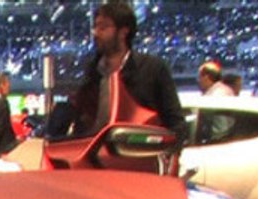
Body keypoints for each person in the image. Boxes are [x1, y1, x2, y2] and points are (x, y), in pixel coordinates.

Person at [72, 1, 186, 143]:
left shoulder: (152, 69)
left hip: (140, 156)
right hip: (97, 157)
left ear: (123, 32)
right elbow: (81, 124)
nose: (96, 33)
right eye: (95, 27)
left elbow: (175, 123)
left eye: (103, 27)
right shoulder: (92, 73)